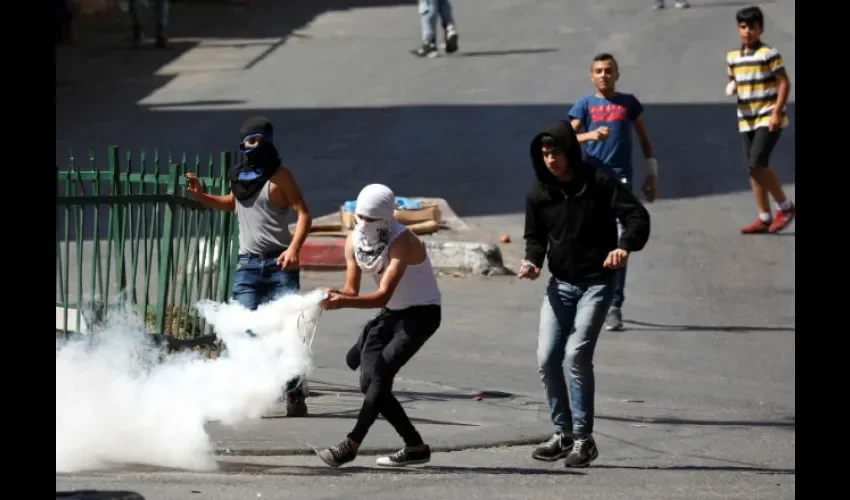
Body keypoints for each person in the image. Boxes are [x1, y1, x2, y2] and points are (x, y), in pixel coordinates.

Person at [520, 120, 650, 468]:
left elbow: (636, 215)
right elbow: (535, 238)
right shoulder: (539, 192)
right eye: (546, 154)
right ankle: (562, 434)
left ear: (571, 153)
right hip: (559, 286)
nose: (551, 160)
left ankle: (583, 438)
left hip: (596, 283)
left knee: (576, 355)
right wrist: (533, 262)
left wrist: (624, 247)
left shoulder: (599, 181)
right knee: (547, 357)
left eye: (557, 153)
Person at [186, 116, 313, 417]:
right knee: (243, 326)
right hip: (247, 266)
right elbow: (233, 203)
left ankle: (294, 394)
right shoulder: (239, 176)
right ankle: (259, 382)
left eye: (258, 140)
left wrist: (294, 249)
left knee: (288, 333)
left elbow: (304, 214)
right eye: (248, 141)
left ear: (269, 141)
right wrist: (201, 196)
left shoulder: (282, 177)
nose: (252, 146)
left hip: (280, 264)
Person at [316, 184, 441, 468]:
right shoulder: (353, 240)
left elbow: (382, 294)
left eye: (372, 219)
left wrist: (342, 303)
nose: (364, 224)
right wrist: (330, 294)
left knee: (381, 375)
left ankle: (351, 444)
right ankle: (415, 446)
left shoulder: (403, 242)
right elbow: (351, 288)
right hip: (391, 313)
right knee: (368, 382)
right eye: (361, 217)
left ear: (386, 218)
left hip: (421, 314)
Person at [567, 52, 658, 332]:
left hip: (621, 183)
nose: (604, 75)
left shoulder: (628, 104)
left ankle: (615, 305)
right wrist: (589, 136)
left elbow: (644, 140)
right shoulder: (584, 105)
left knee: (619, 243)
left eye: (609, 70)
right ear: (591, 76)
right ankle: (586, 297)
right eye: (599, 71)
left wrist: (652, 174)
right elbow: (565, 138)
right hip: (591, 182)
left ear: (617, 75)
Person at [726, 6, 795, 234]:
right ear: (738, 29)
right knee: (753, 169)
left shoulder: (769, 53)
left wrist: (777, 111)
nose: (747, 32)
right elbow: (734, 78)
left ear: (760, 29)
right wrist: (732, 85)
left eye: (752, 27)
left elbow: (784, 82)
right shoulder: (733, 57)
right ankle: (764, 217)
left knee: (758, 163)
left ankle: (785, 207)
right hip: (746, 118)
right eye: (743, 27)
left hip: (767, 114)